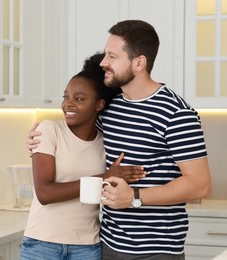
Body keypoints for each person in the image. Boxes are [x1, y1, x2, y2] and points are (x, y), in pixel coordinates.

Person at [26, 20, 211, 260]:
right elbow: (75, 134)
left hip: (156, 251)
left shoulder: (176, 114)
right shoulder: (109, 109)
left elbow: (200, 185)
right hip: (107, 245)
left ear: (139, 62)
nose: (104, 63)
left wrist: (134, 197)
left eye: (112, 56)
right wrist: (37, 138)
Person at [19, 52, 145, 260]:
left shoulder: (106, 142)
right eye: (66, 97)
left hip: (87, 247)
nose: (68, 104)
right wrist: (104, 176)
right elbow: (45, 193)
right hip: (42, 244)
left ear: (99, 105)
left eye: (79, 99)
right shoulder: (49, 130)